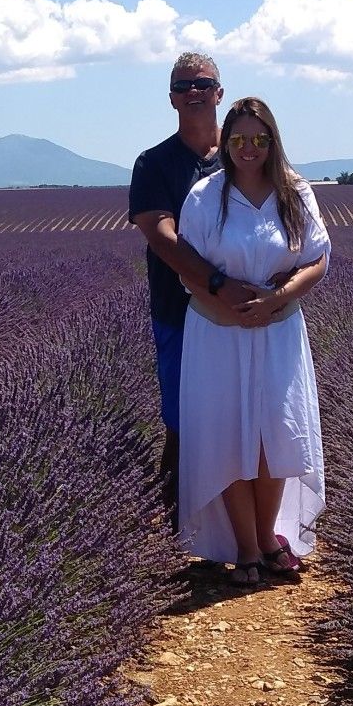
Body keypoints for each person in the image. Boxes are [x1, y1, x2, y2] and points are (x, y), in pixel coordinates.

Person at [175, 97, 330, 585]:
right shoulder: (205, 195)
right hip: (218, 332)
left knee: (275, 437)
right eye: (238, 139)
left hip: (279, 330)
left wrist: (275, 300)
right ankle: (243, 546)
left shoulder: (295, 191)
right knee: (228, 437)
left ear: (272, 141)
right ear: (227, 142)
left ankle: (266, 539)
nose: (248, 148)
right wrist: (229, 304)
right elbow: (186, 263)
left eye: (258, 139)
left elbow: (318, 259)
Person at [128, 52, 264, 523]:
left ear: (219, 93)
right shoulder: (154, 164)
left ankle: (242, 525)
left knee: (244, 415)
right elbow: (161, 236)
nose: (194, 92)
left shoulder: (246, 156)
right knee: (184, 418)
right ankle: (179, 525)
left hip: (243, 313)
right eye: (183, 86)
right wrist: (217, 284)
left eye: (203, 84)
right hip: (180, 310)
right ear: (171, 98)